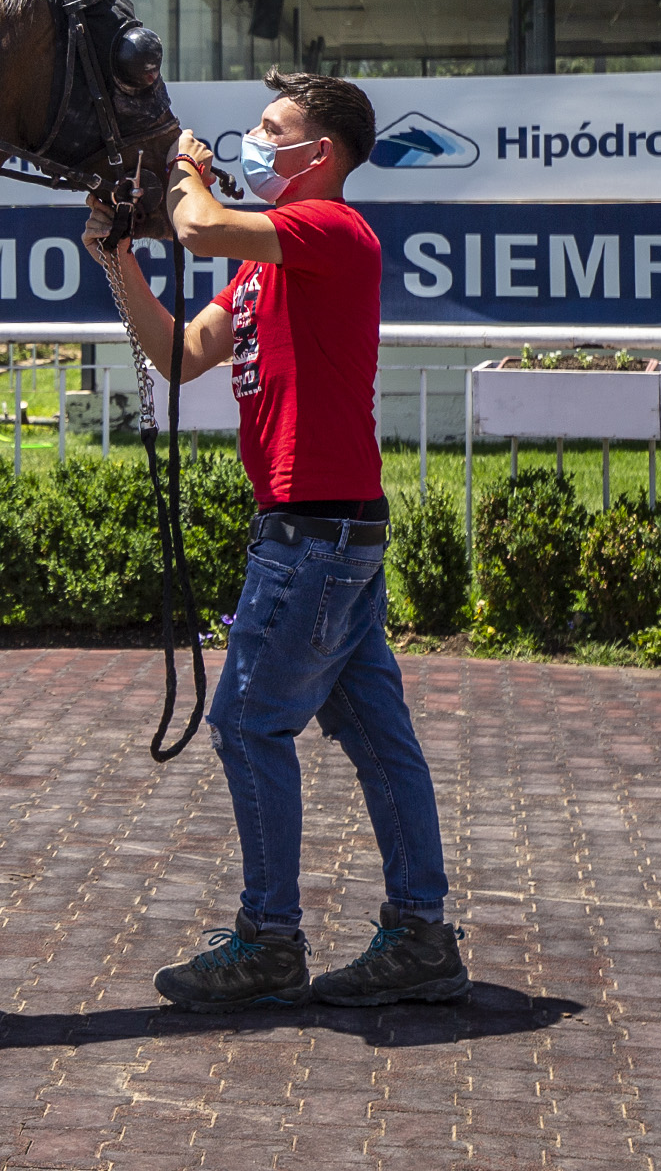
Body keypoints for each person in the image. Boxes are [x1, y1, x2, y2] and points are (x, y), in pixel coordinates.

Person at [86, 70, 465, 1012]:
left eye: (271, 128)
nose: (251, 142)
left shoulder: (331, 229)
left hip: (314, 532)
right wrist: (117, 261)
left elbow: (200, 226)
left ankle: (269, 940)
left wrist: (181, 166)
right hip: (326, 529)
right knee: (377, 736)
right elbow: (179, 355)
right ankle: (420, 935)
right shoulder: (267, 263)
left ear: (318, 154)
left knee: (249, 724)